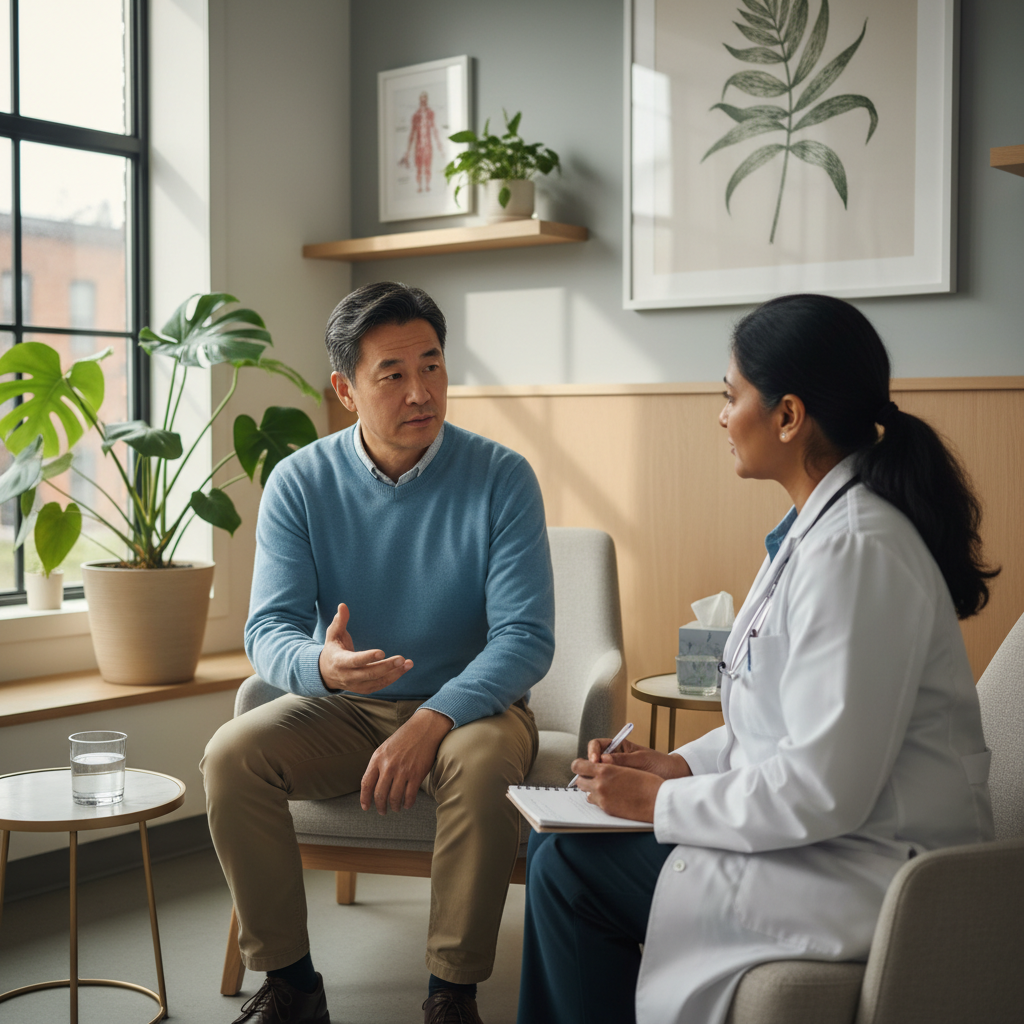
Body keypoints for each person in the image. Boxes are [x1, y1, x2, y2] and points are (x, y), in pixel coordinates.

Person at [516, 293, 996, 1024]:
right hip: (830, 842)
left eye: (730, 395)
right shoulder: (816, 530)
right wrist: (680, 767)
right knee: (565, 855)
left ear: (789, 415)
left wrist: (661, 805)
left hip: (872, 866)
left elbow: (824, 787)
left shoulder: (858, 551)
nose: (720, 416)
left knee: (568, 869)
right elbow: (773, 723)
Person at [202, 282, 555, 1024]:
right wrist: (320, 667)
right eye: (392, 374)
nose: (420, 391)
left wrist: (434, 717)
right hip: (345, 709)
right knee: (232, 756)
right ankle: (293, 985)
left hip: (473, 709)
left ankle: (450, 995)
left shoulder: (502, 478)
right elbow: (267, 630)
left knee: (486, 764)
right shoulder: (300, 482)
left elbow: (526, 638)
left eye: (432, 366)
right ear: (346, 387)